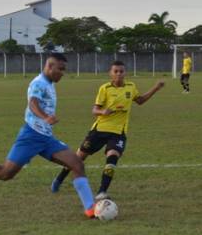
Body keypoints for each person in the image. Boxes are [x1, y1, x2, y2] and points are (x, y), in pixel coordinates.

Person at [0, 53, 97, 218]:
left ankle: (90, 208)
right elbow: (33, 103)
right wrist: (45, 117)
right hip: (30, 136)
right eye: (60, 69)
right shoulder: (38, 83)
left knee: (77, 164)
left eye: (64, 70)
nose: (62, 73)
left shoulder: (50, 83)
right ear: (49, 66)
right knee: (5, 174)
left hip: (46, 138)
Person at [50, 60, 165, 200]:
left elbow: (140, 100)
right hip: (99, 130)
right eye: (115, 71)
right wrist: (103, 111)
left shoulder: (131, 87)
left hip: (118, 132)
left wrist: (155, 88)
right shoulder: (105, 88)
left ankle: (101, 192)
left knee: (112, 157)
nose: (118, 74)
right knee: (78, 159)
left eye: (121, 71)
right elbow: (94, 110)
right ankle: (59, 179)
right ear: (110, 73)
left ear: (125, 73)